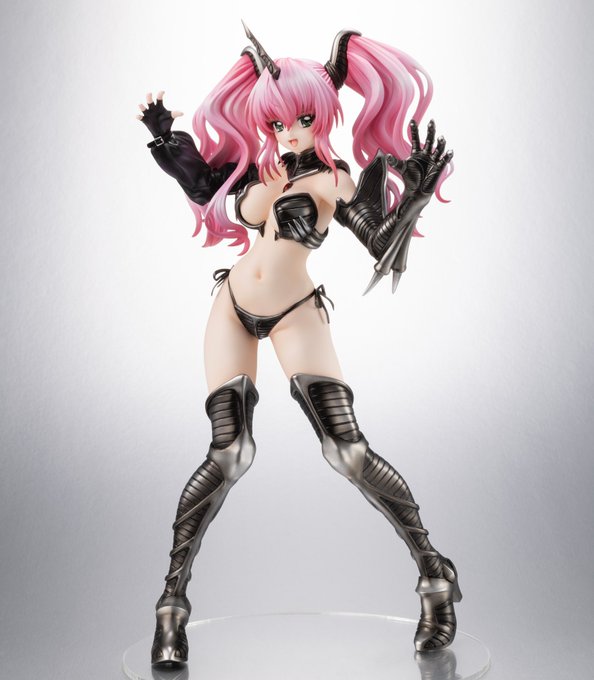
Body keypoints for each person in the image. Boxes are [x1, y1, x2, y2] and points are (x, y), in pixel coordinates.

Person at [137, 26, 459, 667]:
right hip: (231, 305)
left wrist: (415, 200)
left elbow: (380, 241)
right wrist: (166, 136)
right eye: (278, 122)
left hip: (294, 312)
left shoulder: (336, 181)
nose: (289, 132)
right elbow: (203, 186)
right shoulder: (260, 169)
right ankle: (171, 606)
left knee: (347, 450)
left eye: (303, 119)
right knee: (229, 452)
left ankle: (435, 574)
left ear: (324, 114)